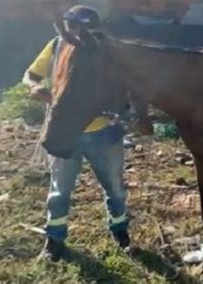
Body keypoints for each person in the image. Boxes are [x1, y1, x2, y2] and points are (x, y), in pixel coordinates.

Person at [22, 5, 131, 262]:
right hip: (65, 130)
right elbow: (31, 74)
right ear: (68, 26)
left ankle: (120, 231)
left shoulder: (108, 50)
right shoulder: (57, 46)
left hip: (104, 132)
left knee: (114, 188)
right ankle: (55, 240)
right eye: (74, 27)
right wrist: (35, 87)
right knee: (60, 191)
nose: (80, 33)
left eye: (86, 27)